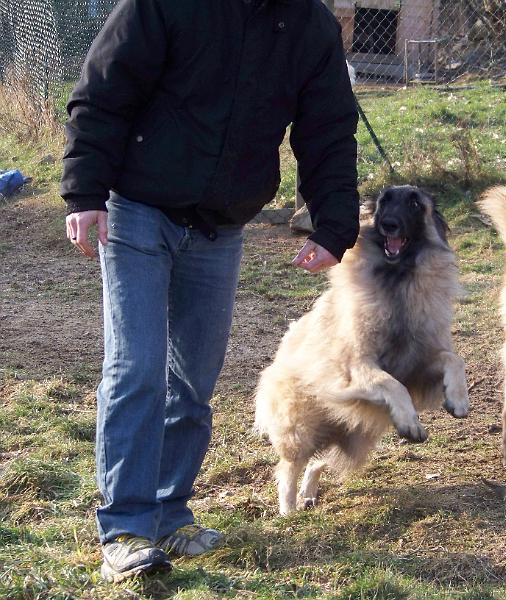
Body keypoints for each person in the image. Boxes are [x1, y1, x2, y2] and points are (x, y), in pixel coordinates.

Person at [60, 0, 359, 583]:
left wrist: (333, 224)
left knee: (193, 381)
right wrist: (85, 192)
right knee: (137, 370)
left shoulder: (309, 24)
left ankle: (171, 513)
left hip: (222, 225)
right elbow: (103, 88)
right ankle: (125, 529)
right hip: (139, 208)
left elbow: (328, 129)